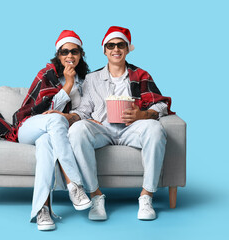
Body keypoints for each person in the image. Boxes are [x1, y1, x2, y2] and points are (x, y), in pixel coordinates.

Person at [56, 26, 173, 221]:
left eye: (120, 45)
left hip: (132, 129)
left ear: (127, 49)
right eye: (111, 45)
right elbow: (83, 110)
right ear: (104, 50)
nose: (115, 49)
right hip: (103, 129)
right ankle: (95, 196)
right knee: (77, 131)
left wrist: (142, 115)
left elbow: (161, 105)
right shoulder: (92, 79)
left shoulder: (141, 75)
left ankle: (146, 196)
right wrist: (69, 117)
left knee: (155, 128)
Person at [16, 30, 91, 231]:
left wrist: (73, 115)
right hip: (29, 126)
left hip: (53, 134)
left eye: (74, 51)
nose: (69, 56)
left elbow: (86, 112)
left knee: (45, 145)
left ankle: (42, 209)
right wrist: (67, 84)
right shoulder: (47, 75)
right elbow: (48, 111)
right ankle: (74, 183)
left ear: (81, 54)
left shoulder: (86, 81)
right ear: (58, 55)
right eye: (64, 52)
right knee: (56, 120)